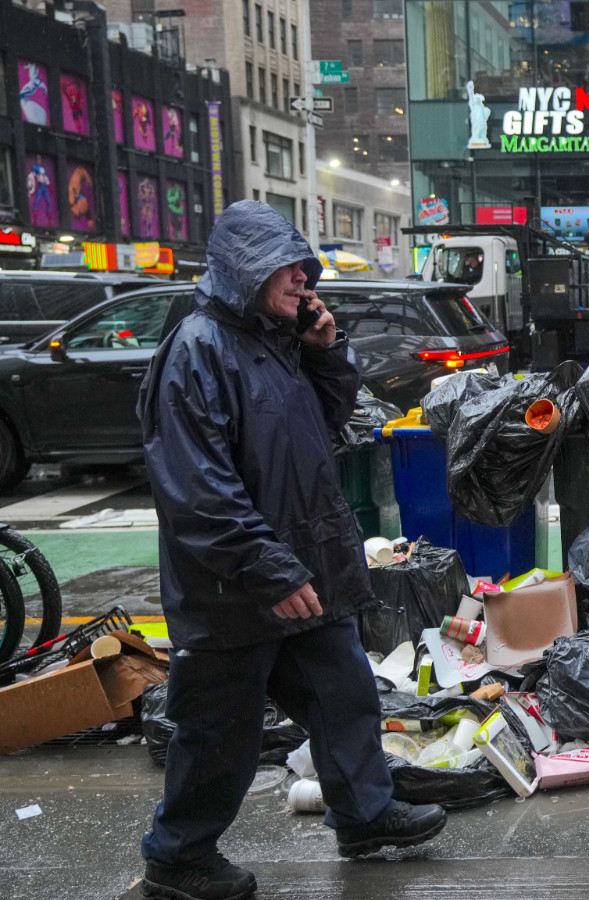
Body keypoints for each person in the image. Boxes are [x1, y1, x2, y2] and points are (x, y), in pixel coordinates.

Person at [137, 201, 445, 900]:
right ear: (246, 272)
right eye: (287, 267)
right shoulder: (198, 349)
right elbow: (196, 488)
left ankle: (364, 815)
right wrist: (266, 568)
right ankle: (178, 857)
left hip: (303, 567)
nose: (303, 279)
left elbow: (327, 423)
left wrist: (325, 351)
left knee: (344, 694)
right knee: (220, 730)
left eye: (305, 268)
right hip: (237, 583)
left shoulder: (277, 341)